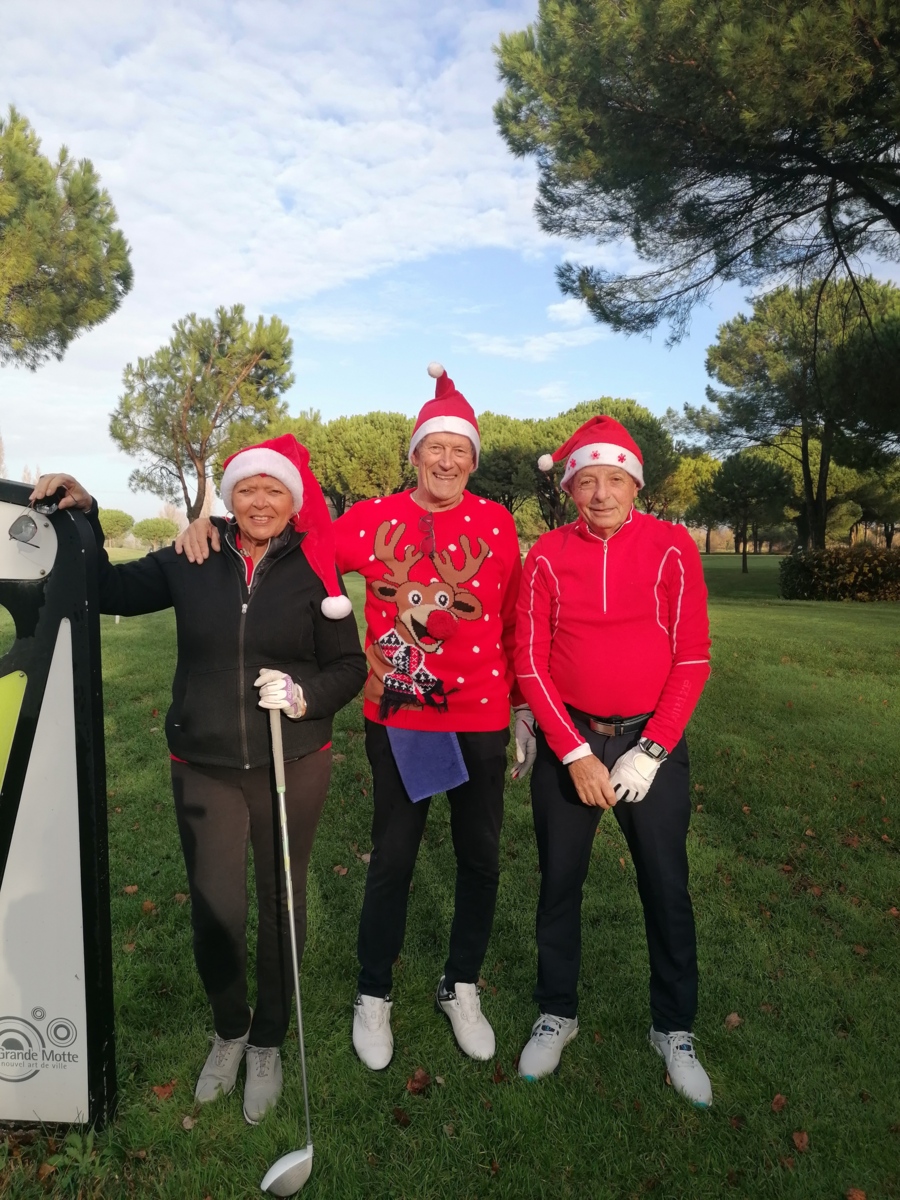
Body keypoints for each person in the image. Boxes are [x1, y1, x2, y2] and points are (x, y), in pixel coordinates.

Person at [177, 364, 535, 1069]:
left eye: (460, 451)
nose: (447, 461)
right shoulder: (371, 518)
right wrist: (211, 523)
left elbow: (513, 617)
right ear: (414, 454)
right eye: (435, 448)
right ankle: (375, 993)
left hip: (481, 717)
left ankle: (461, 984)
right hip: (402, 718)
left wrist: (521, 704)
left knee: (481, 857)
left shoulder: (496, 522)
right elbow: (292, 539)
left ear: (473, 460)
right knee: (393, 858)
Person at [30, 435, 366, 1123]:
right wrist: (85, 517)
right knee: (217, 909)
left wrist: (303, 695)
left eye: (275, 490)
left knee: (282, 903)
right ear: (230, 498)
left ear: (293, 500)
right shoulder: (195, 554)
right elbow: (109, 586)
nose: (261, 501)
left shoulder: (315, 566)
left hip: (292, 761)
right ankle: (230, 1028)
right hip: (203, 766)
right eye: (248, 489)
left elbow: (349, 666)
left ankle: (268, 1040)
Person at [513, 415, 713, 1107]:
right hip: (572, 736)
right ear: (570, 489)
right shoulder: (546, 553)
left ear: (635, 484)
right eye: (587, 481)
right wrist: (572, 752)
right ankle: (556, 1012)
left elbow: (692, 658)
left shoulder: (672, 546)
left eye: (615, 480)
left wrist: (650, 752)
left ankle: (673, 1027)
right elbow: (530, 662)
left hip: (649, 738)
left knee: (666, 885)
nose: (601, 493)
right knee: (559, 881)